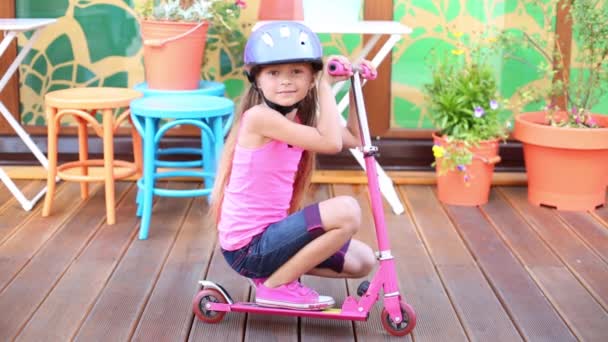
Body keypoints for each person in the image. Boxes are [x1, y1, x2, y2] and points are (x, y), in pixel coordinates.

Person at [209, 21, 376, 311]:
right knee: (347, 210)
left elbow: (353, 138)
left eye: (296, 72)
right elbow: (331, 144)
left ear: (308, 77)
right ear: (257, 80)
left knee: (364, 260)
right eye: (274, 73)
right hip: (249, 249)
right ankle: (276, 287)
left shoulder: (297, 121)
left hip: (273, 240)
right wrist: (324, 83)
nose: (285, 81)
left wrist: (354, 84)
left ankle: (275, 277)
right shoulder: (259, 118)